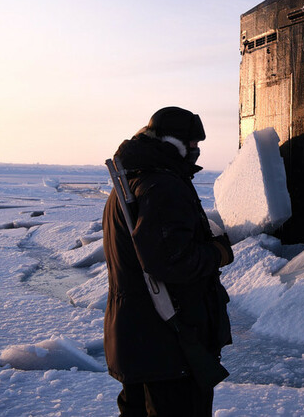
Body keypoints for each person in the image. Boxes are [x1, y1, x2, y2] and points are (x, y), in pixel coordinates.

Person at [103, 106, 234, 416]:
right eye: (191, 145)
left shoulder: (131, 183)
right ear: (173, 143)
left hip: (141, 341)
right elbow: (172, 261)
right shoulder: (162, 187)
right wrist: (217, 253)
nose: (196, 152)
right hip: (167, 348)